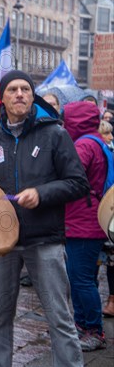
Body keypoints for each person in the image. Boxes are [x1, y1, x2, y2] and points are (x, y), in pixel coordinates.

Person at [0, 70, 89, 367]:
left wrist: (42, 193)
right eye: (12, 89)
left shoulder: (54, 134)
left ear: (32, 95)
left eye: (25, 89)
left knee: (59, 317)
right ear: (2, 97)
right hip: (1, 243)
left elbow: (78, 183)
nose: (20, 94)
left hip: (45, 239)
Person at [62, 101, 108, 351]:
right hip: (88, 219)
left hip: (84, 222)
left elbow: (69, 175)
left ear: (75, 120)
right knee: (80, 277)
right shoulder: (97, 140)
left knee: (81, 279)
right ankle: (82, 325)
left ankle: (93, 330)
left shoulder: (84, 144)